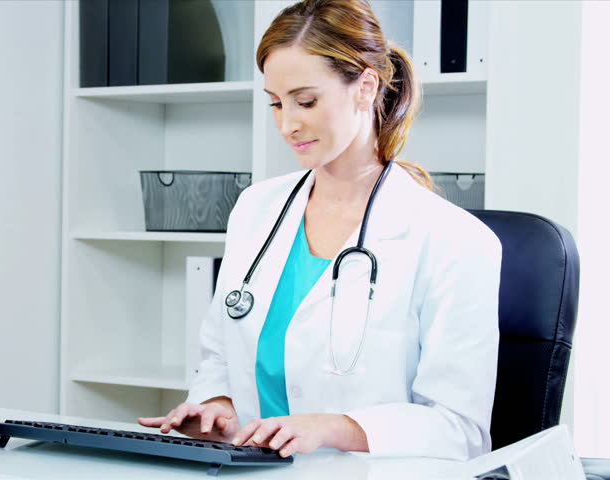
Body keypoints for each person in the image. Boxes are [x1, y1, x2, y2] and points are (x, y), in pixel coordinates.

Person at [138, 0, 501, 461]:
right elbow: (219, 359)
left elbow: (461, 430)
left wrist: (335, 428)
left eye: (306, 101)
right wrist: (216, 405)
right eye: (275, 103)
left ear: (365, 87)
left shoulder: (454, 240)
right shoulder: (256, 210)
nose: (287, 124)